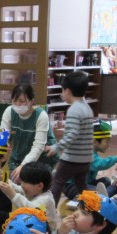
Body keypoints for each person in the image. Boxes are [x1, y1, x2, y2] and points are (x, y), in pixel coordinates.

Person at [45, 70, 93, 202]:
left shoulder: (74, 109)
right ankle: (92, 208)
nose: (62, 93)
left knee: (57, 182)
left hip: (72, 159)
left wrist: (57, 147)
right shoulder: (87, 108)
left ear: (68, 91)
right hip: (85, 159)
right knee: (81, 187)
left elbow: (72, 134)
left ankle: (50, 211)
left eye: (62, 90)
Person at [1, 84, 53, 181]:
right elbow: (3, 134)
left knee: (32, 186)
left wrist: (23, 165)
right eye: (14, 100)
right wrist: (4, 143)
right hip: (17, 157)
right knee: (13, 184)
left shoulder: (41, 116)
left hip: (40, 161)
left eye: (21, 101)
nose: (17, 104)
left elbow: (38, 146)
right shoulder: (9, 111)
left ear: (31, 101)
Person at [2, 162, 59, 234]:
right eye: (21, 181)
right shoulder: (33, 191)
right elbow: (16, 188)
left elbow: (30, 209)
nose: (22, 185)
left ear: (39, 186)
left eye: (25, 182)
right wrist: (3, 179)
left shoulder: (46, 199)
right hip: (31, 227)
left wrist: (12, 194)